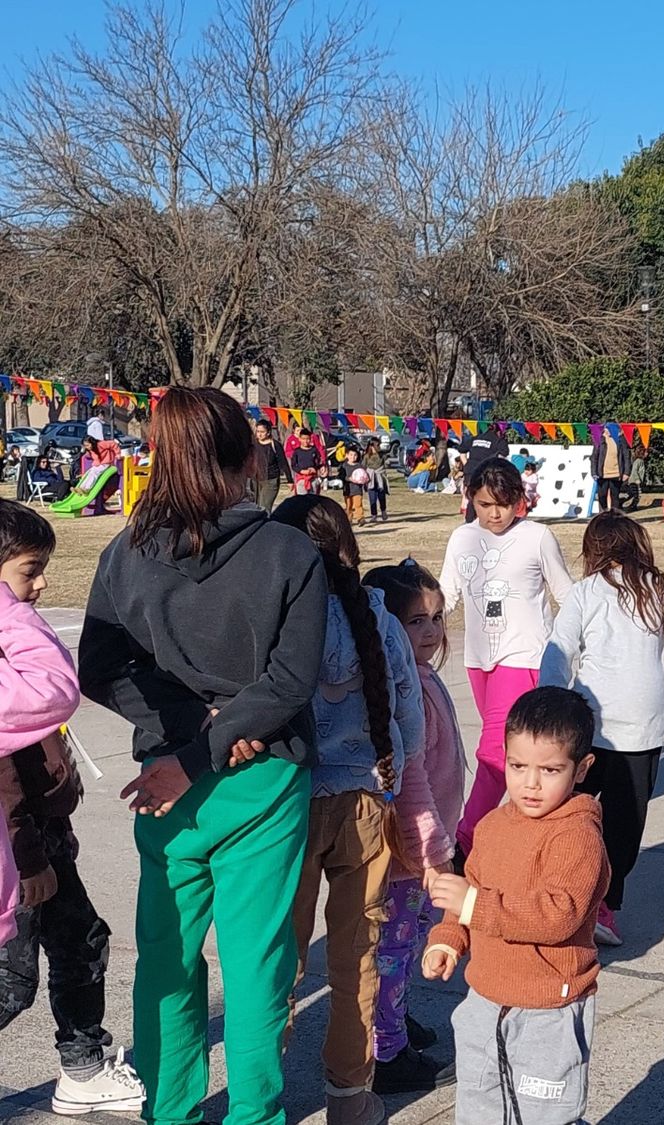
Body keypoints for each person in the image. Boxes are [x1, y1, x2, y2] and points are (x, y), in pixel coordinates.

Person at [77, 387, 328, 1125]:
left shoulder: (126, 551)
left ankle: (172, 1107)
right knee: (255, 967)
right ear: (245, 456)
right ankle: (255, 1112)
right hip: (258, 772)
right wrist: (215, 732)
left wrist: (185, 732)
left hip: (168, 782)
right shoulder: (290, 548)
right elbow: (291, 677)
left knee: (165, 958)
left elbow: (99, 666)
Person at [269, 495, 434, 1120]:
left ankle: (262, 1091)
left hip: (287, 803)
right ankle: (349, 1096)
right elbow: (410, 726)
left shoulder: (276, 616)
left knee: (278, 957)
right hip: (365, 803)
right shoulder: (377, 616)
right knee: (355, 959)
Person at [0, 502, 145, 1115]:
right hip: (20, 845)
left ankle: (83, 1066)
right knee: (12, 981)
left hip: (41, 833)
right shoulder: (13, 640)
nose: (42, 584)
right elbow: (51, 696)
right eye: (30, 571)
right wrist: (32, 859)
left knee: (81, 941)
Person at [422, 687, 608, 1125]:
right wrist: (448, 939)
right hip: (484, 998)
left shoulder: (577, 836)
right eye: (518, 765)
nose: (530, 783)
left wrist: (473, 905)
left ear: (581, 769)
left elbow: (558, 915)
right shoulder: (493, 826)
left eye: (550, 769)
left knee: (545, 1114)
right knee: (480, 1104)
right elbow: (472, 893)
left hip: (549, 1008)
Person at [540, 511, 664, 947]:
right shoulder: (659, 591)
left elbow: (558, 650)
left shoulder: (585, 593)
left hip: (589, 727)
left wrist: (548, 703)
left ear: (592, 552)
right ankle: (605, 904)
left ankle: (560, 888)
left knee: (570, 812)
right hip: (641, 732)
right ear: (639, 546)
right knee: (625, 824)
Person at [362, 561, 465, 1090]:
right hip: (411, 853)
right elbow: (411, 776)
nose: (431, 631)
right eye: (415, 621)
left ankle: (394, 1020)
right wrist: (430, 850)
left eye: (438, 618)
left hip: (427, 844)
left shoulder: (421, 678)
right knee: (394, 953)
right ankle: (386, 1054)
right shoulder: (406, 692)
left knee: (405, 942)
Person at [440, 459, 574, 854]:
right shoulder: (461, 538)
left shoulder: (537, 536)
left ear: (519, 500)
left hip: (526, 657)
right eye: (484, 504)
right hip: (479, 660)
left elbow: (566, 594)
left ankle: (462, 843)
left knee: (494, 754)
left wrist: (578, 645)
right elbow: (447, 594)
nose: (495, 514)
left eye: (504, 504)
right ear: (471, 500)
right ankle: (521, 834)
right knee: (515, 753)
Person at [252, 419, 292, 510]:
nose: (259, 434)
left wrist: (290, 479)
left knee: (264, 506)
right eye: (258, 431)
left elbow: (283, 462)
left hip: (271, 479)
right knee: (255, 506)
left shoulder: (275, 445)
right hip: (255, 479)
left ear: (268, 432)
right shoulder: (253, 444)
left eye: (262, 432)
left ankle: (266, 522)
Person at [590, 429, 631, 513]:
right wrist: (594, 472)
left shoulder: (620, 439)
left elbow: (626, 456)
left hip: (616, 473)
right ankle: (603, 514)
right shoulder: (599, 439)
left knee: (615, 496)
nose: (607, 431)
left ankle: (614, 515)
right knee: (602, 495)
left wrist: (626, 472)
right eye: (606, 429)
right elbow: (594, 457)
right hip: (602, 474)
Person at [340, 447, 369, 527]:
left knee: (358, 504)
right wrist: (348, 478)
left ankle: (360, 518)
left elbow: (365, 475)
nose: (353, 457)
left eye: (355, 455)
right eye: (351, 455)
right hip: (347, 490)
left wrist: (366, 479)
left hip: (357, 489)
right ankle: (349, 519)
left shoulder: (359, 466)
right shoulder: (344, 466)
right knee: (348, 506)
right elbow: (341, 476)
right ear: (347, 455)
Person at [290, 427, 324, 495]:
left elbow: (319, 462)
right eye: (303, 439)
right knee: (302, 500)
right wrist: (301, 471)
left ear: (310, 439)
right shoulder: (297, 451)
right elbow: (293, 465)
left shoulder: (314, 450)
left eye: (307, 439)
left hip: (313, 478)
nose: (305, 441)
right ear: (299, 439)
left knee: (313, 499)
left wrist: (315, 468)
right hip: (301, 479)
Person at [363, 440, 390, 523]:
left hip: (380, 477)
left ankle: (383, 511)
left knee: (381, 496)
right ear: (371, 446)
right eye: (377, 445)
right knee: (372, 498)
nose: (378, 447)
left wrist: (387, 463)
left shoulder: (382, 455)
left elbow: (386, 464)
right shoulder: (367, 456)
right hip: (370, 478)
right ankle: (374, 515)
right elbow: (363, 466)